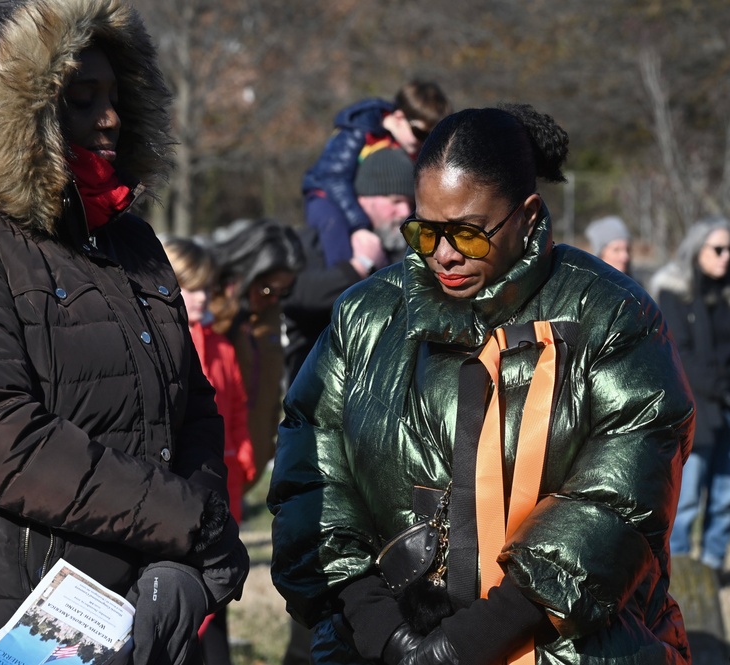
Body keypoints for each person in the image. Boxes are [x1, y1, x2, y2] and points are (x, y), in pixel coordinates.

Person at [0, 1, 247, 663]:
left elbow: (190, 406)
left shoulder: (130, 241)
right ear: (18, 115)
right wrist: (189, 520)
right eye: (81, 98)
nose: (109, 117)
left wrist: (184, 566)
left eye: (114, 95)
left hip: (136, 618)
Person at [268, 104, 694, 665]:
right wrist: (380, 630)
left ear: (527, 215)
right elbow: (313, 478)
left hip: (566, 649)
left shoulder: (612, 317)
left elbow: (618, 504)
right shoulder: (364, 316)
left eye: (467, 234)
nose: (444, 256)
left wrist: (464, 645)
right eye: (425, 232)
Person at [650, 217, 730, 573]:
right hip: (696, 410)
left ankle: (714, 567)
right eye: (717, 249)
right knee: (685, 501)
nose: (725, 256)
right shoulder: (675, 291)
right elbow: (680, 355)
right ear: (697, 250)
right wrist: (725, 394)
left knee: (727, 497)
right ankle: (682, 574)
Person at [163, 237, 256, 665]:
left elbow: (235, 405)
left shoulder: (218, 345)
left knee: (218, 592)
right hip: (184, 488)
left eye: (207, 288)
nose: (203, 298)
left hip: (225, 480)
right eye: (193, 288)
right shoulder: (170, 344)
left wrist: (245, 451)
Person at [284, 146, 416, 383]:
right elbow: (296, 295)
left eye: (409, 202)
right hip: (316, 390)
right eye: (395, 201)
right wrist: (359, 266)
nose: (404, 211)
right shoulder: (320, 238)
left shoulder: (405, 249)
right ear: (364, 199)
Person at [301, 80, 450, 268]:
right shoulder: (360, 132)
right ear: (398, 117)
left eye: (430, 136)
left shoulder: (412, 147)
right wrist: (359, 226)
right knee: (335, 227)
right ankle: (343, 285)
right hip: (325, 195)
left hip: (365, 204)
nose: (423, 141)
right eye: (419, 132)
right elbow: (334, 178)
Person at [208, 219, 305, 489]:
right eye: (266, 290)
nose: (273, 299)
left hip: (250, 461)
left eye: (283, 292)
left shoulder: (271, 313)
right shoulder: (208, 308)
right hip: (214, 458)